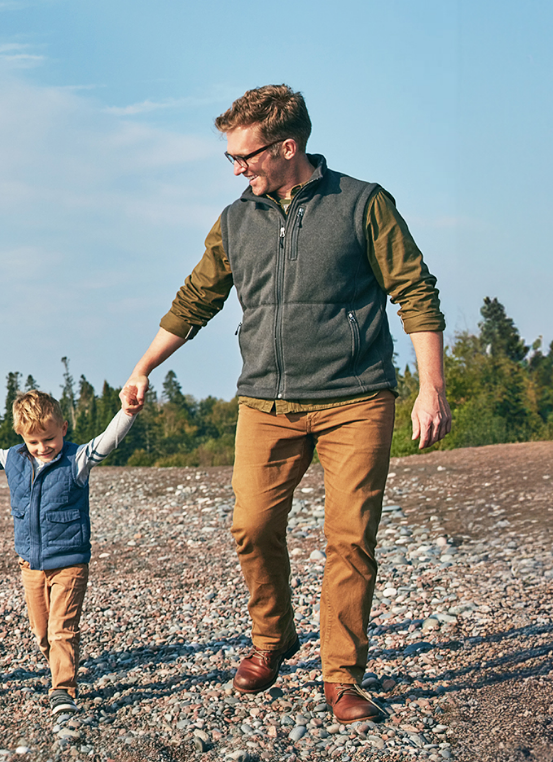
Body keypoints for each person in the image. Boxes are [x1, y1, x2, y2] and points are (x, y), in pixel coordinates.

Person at [120, 85, 452, 724]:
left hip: (356, 399)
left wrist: (431, 389)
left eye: (243, 156)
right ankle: (273, 638)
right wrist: (143, 367)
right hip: (265, 404)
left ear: (287, 147)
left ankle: (342, 677)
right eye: (231, 158)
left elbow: (415, 291)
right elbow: (195, 300)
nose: (236, 169)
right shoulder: (235, 220)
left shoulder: (363, 204)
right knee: (251, 525)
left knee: (349, 538)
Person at [0, 390, 134, 715]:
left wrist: (128, 412)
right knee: (42, 633)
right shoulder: (14, 459)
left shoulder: (76, 459)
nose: (42, 447)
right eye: (33, 441)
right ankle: (60, 668)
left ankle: (62, 690)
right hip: (31, 564)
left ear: (63, 428)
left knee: (61, 630)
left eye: (49, 439)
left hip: (69, 562)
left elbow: (108, 441)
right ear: (21, 437)